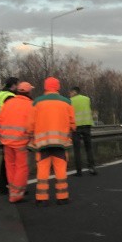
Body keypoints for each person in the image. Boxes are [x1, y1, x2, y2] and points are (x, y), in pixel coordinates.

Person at [28, 77, 76, 206]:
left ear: (45, 87)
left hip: (42, 144)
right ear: (58, 87)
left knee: (42, 170)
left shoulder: (37, 102)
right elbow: (73, 124)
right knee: (60, 170)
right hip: (61, 143)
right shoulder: (66, 102)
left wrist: (30, 135)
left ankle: (41, 199)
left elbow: (30, 123)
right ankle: (62, 197)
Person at [0, 82, 34, 203]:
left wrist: (1, 137)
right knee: (21, 167)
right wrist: (32, 138)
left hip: (7, 142)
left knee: (10, 166)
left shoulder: (8, 103)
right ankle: (16, 194)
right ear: (28, 92)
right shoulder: (30, 105)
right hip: (21, 142)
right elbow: (32, 125)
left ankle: (13, 191)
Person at [0, 77, 19, 195]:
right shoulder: (10, 96)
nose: (18, 87)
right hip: (10, 131)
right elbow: (14, 114)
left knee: (7, 160)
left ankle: (3, 186)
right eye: (17, 85)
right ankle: (9, 186)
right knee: (11, 161)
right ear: (13, 85)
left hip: (1, 130)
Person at [69, 86, 98, 176]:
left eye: (70, 92)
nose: (69, 94)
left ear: (74, 92)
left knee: (77, 150)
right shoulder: (87, 99)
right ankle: (92, 168)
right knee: (88, 148)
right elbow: (91, 111)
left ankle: (79, 171)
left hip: (76, 127)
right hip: (87, 125)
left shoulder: (70, 101)